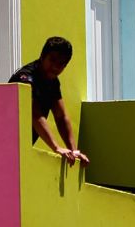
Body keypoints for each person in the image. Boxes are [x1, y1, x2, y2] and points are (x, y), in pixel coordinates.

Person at [9, 36, 90, 167]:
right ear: (42, 56)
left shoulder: (52, 82)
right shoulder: (25, 77)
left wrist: (74, 151)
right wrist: (56, 147)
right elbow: (34, 114)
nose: (56, 67)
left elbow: (61, 116)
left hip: (20, 149)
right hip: (3, 143)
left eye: (61, 64)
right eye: (52, 60)